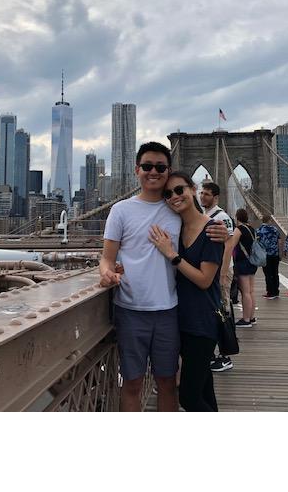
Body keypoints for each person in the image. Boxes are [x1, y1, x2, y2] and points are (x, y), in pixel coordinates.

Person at [99, 142, 228, 412]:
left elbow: (199, 228)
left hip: (170, 312)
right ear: (137, 170)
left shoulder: (175, 211)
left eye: (160, 167)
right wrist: (107, 273)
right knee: (132, 384)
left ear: (168, 171)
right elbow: (107, 258)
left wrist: (223, 231)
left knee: (168, 383)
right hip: (130, 310)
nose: (153, 172)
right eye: (147, 166)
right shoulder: (120, 211)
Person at [149, 172, 224, 411]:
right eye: (168, 194)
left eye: (179, 190)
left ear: (193, 189)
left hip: (202, 323)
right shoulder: (175, 228)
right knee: (204, 391)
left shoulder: (212, 230)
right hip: (179, 320)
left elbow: (204, 280)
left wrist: (172, 254)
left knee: (189, 397)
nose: (174, 197)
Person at [199, 181, 235, 373]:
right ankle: (214, 353)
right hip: (211, 271)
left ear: (216, 197)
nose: (202, 196)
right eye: (201, 193)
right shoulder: (205, 216)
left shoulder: (222, 217)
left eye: (206, 194)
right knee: (215, 311)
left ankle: (225, 355)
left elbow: (229, 245)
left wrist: (222, 273)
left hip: (221, 271)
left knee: (223, 312)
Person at [223, 208, 258, 327]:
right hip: (252, 262)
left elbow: (231, 244)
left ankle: (246, 319)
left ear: (237, 217)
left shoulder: (239, 229)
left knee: (245, 292)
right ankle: (252, 317)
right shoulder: (252, 229)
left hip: (243, 263)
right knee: (251, 291)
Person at [257, 215, 281, 299]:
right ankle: (276, 291)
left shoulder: (259, 230)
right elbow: (279, 242)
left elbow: (257, 243)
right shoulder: (275, 229)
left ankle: (270, 292)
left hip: (265, 255)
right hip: (275, 254)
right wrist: (279, 252)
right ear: (269, 220)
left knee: (268, 274)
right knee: (275, 273)